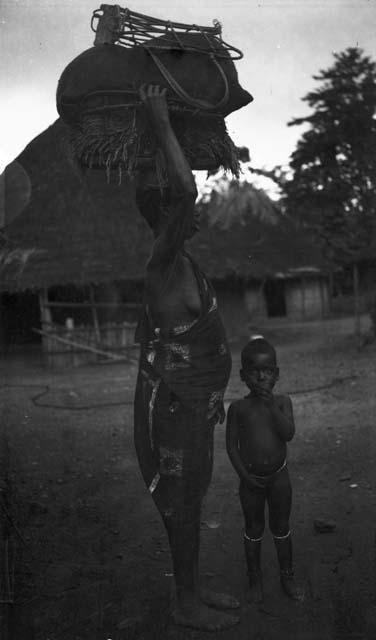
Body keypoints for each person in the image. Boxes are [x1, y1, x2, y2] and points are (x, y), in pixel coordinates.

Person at [133, 85, 240, 631]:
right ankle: (184, 603)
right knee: (180, 502)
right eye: (179, 210)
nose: (191, 213)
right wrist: (157, 119)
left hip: (193, 406)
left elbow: (177, 190)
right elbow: (184, 187)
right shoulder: (163, 262)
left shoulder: (183, 262)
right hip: (174, 408)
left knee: (192, 499)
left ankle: (194, 590)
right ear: (166, 215)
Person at [226, 337, 302, 603]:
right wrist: (245, 477)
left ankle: (288, 576)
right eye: (254, 372)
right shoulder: (238, 408)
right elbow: (232, 447)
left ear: (277, 374)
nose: (261, 377)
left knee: (281, 526)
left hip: (279, 478)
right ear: (243, 376)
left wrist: (270, 406)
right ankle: (254, 578)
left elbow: (289, 434)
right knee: (253, 528)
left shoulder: (282, 403)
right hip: (251, 481)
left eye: (268, 370)